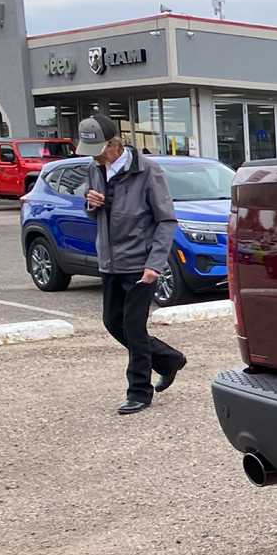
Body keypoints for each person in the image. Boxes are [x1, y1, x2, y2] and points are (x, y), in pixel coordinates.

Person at [76, 113, 187, 415]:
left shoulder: (147, 171)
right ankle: (168, 359)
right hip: (110, 261)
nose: (94, 157)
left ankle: (139, 391)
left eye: (98, 150)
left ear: (115, 144)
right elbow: (93, 211)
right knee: (113, 322)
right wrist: (90, 204)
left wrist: (155, 264)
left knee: (133, 328)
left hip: (141, 264)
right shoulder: (94, 168)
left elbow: (166, 221)